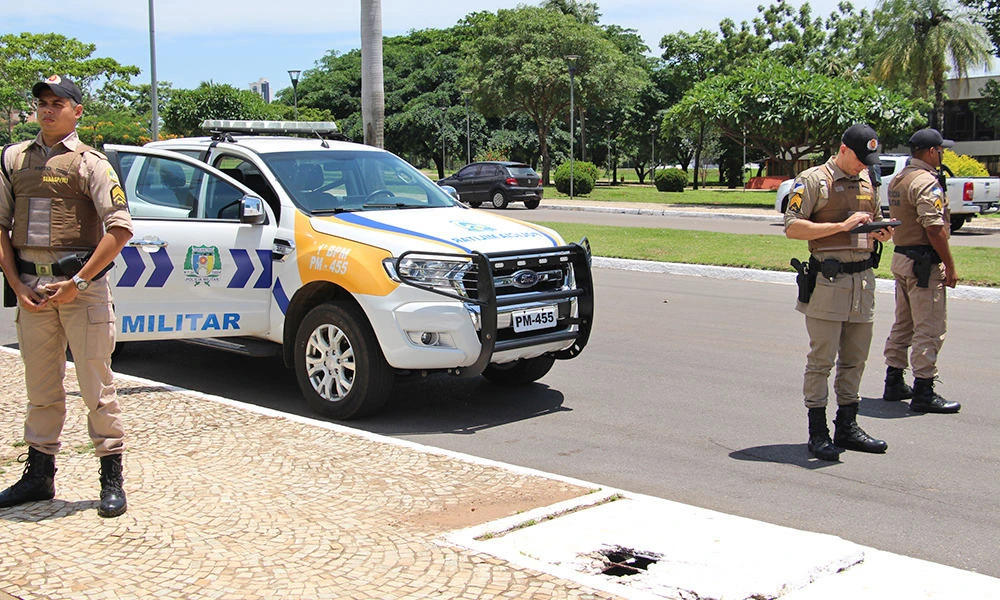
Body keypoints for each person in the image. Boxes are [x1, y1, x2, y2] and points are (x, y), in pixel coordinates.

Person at [0, 75, 134, 517]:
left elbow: (120, 229)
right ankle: (39, 475)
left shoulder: (91, 164)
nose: (47, 109)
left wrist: (77, 282)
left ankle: (111, 477)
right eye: (42, 102)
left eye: (58, 102)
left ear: (77, 111)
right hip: (33, 292)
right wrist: (18, 285)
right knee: (41, 389)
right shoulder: (14, 159)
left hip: (81, 292)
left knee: (97, 387)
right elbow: (1, 227)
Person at [784, 124, 893, 461]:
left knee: (855, 360)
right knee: (821, 361)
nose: (864, 164)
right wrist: (841, 227)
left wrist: (881, 234)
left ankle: (848, 425)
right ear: (844, 149)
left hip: (862, 282)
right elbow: (793, 227)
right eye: (860, 158)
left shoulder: (867, 180)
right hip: (828, 284)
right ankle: (818, 432)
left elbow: (873, 220)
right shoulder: (813, 180)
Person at [881, 128, 961, 414]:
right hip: (923, 264)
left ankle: (894, 381)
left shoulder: (899, 178)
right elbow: (934, 228)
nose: (942, 155)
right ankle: (924, 390)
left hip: (902, 259)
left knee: (904, 323)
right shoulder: (926, 182)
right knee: (929, 327)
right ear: (930, 152)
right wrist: (950, 266)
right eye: (940, 150)